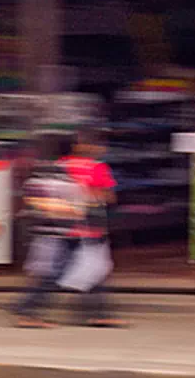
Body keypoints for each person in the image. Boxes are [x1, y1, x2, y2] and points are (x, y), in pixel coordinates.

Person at [11, 129, 127, 328]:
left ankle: (97, 314)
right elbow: (107, 197)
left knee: (89, 271)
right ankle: (28, 309)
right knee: (69, 271)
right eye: (100, 145)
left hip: (60, 228)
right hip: (85, 229)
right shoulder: (96, 168)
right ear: (94, 147)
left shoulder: (60, 165)